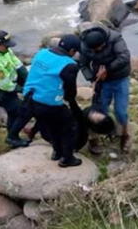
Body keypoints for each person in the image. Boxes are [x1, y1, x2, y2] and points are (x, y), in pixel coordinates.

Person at [23, 34, 83, 168]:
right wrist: (71, 103)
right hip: (49, 103)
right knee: (69, 127)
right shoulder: (69, 65)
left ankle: (57, 152)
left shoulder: (42, 53)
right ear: (73, 51)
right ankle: (67, 158)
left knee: (51, 126)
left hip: (31, 98)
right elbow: (70, 91)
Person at [79, 23, 132, 153]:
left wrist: (107, 69)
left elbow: (124, 57)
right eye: (94, 49)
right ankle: (94, 139)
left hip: (120, 78)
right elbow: (83, 64)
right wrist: (92, 78)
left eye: (100, 47)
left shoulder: (115, 39)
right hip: (102, 82)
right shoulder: (85, 45)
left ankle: (124, 135)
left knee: (121, 111)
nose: (97, 50)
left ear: (104, 42)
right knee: (97, 111)